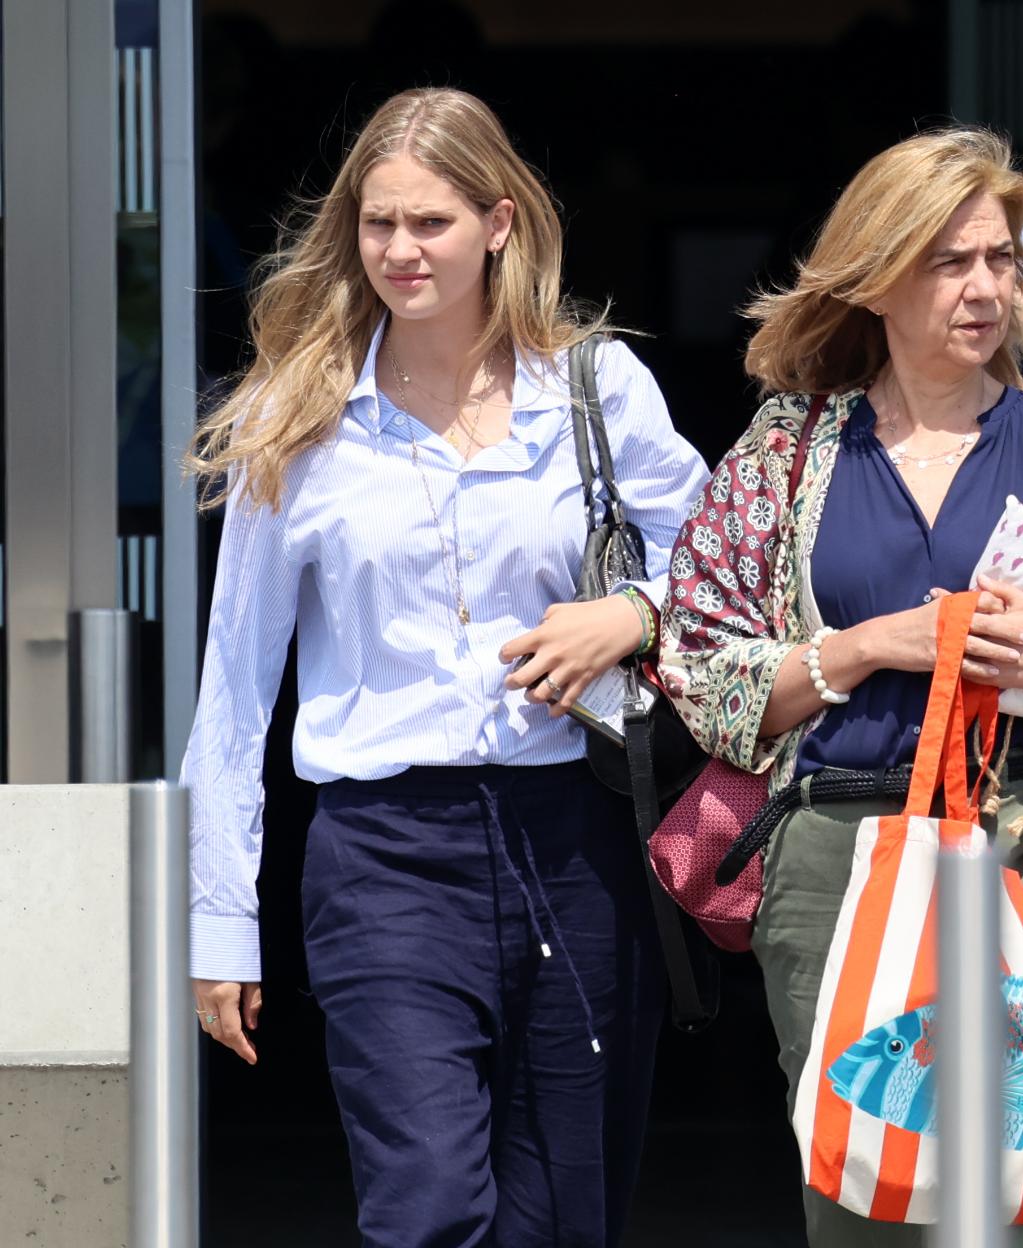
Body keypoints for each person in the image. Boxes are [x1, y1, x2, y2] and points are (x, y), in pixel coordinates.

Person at [181, 87, 707, 1248]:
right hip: (384, 858)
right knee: (427, 1208)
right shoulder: (298, 416)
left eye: (431, 223)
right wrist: (219, 924)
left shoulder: (597, 389)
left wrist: (628, 612)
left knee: (567, 1214)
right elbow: (233, 691)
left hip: (581, 835)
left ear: (499, 222)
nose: (401, 251)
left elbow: (723, 564)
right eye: (379, 225)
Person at [658, 128, 1023, 1247]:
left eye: (1002, 260)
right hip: (834, 862)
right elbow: (698, 672)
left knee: (996, 1202)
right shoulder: (790, 450)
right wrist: (856, 650)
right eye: (951, 262)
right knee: (863, 1194)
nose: (988, 288)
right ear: (878, 278)